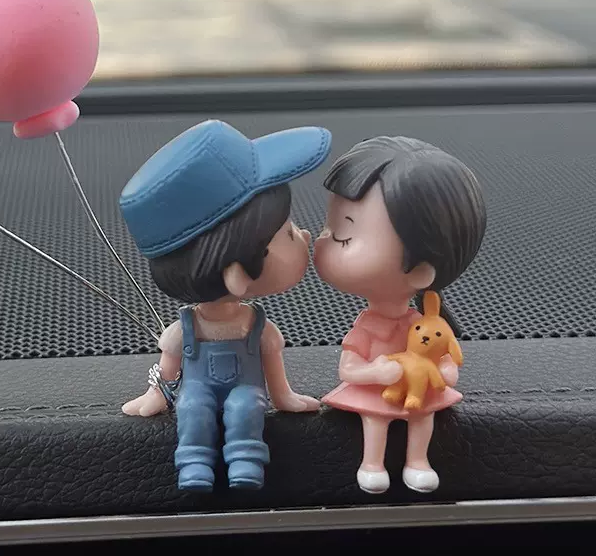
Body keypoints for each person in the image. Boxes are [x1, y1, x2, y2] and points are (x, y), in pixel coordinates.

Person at [119, 119, 331, 492]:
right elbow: (169, 368)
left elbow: (273, 370)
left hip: (247, 390)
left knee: (246, 407)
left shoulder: (258, 326)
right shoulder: (186, 328)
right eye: (286, 233)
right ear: (237, 274)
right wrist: (157, 394)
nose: (305, 235)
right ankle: (193, 464)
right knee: (191, 409)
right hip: (197, 390)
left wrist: (283, 397)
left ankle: (246, 460)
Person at [314, 135, 487, 495]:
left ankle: (418, 461)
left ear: (420, 271)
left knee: (423, 417)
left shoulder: (422, 325)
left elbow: (443, 357)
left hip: (418, 391)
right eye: (328, 228)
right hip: (379, 390)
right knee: (374, 419)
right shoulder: (368, 326)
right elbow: (348, 369)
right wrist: (374, 372)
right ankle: (371, 463)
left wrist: (446, 370)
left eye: (343, 236)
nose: (319, 242)